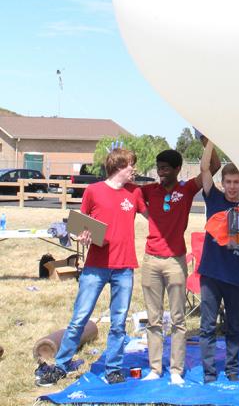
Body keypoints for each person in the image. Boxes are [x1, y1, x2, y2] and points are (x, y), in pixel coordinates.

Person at [36, 146, 147, 387]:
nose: (134, 169)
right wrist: (80, 237)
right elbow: (78, 228)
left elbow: (155, 216)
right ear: (119, 166)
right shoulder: (93, 192)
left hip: (125, 266)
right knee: (80, 318)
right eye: (131, 164)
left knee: (119, 321)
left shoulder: (135, 193)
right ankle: (61, 365)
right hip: (95, 266)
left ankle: (114, 368)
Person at [140, 137, 221, 385]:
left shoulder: (186, 189)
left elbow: (214, 167)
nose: (161, 173)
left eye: (166, 168)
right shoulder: (148, 190)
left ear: (177, 169)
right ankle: (155, 369)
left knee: (178, 319)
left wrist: (208, 139)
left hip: (175, 261)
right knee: (153, 319)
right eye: (158, 168)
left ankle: (176, 370)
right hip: (151, 260)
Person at [198, 143, 239, 383]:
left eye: (237, 182)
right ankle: (209, 372)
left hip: (235, 275)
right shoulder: (213, 197)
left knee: (234, 326)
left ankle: (232, 370)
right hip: (211, 273)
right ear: (222, 183)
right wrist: (211, 140)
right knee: (207, 325)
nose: (233, 187)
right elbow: (205, 169)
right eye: (229, 182)